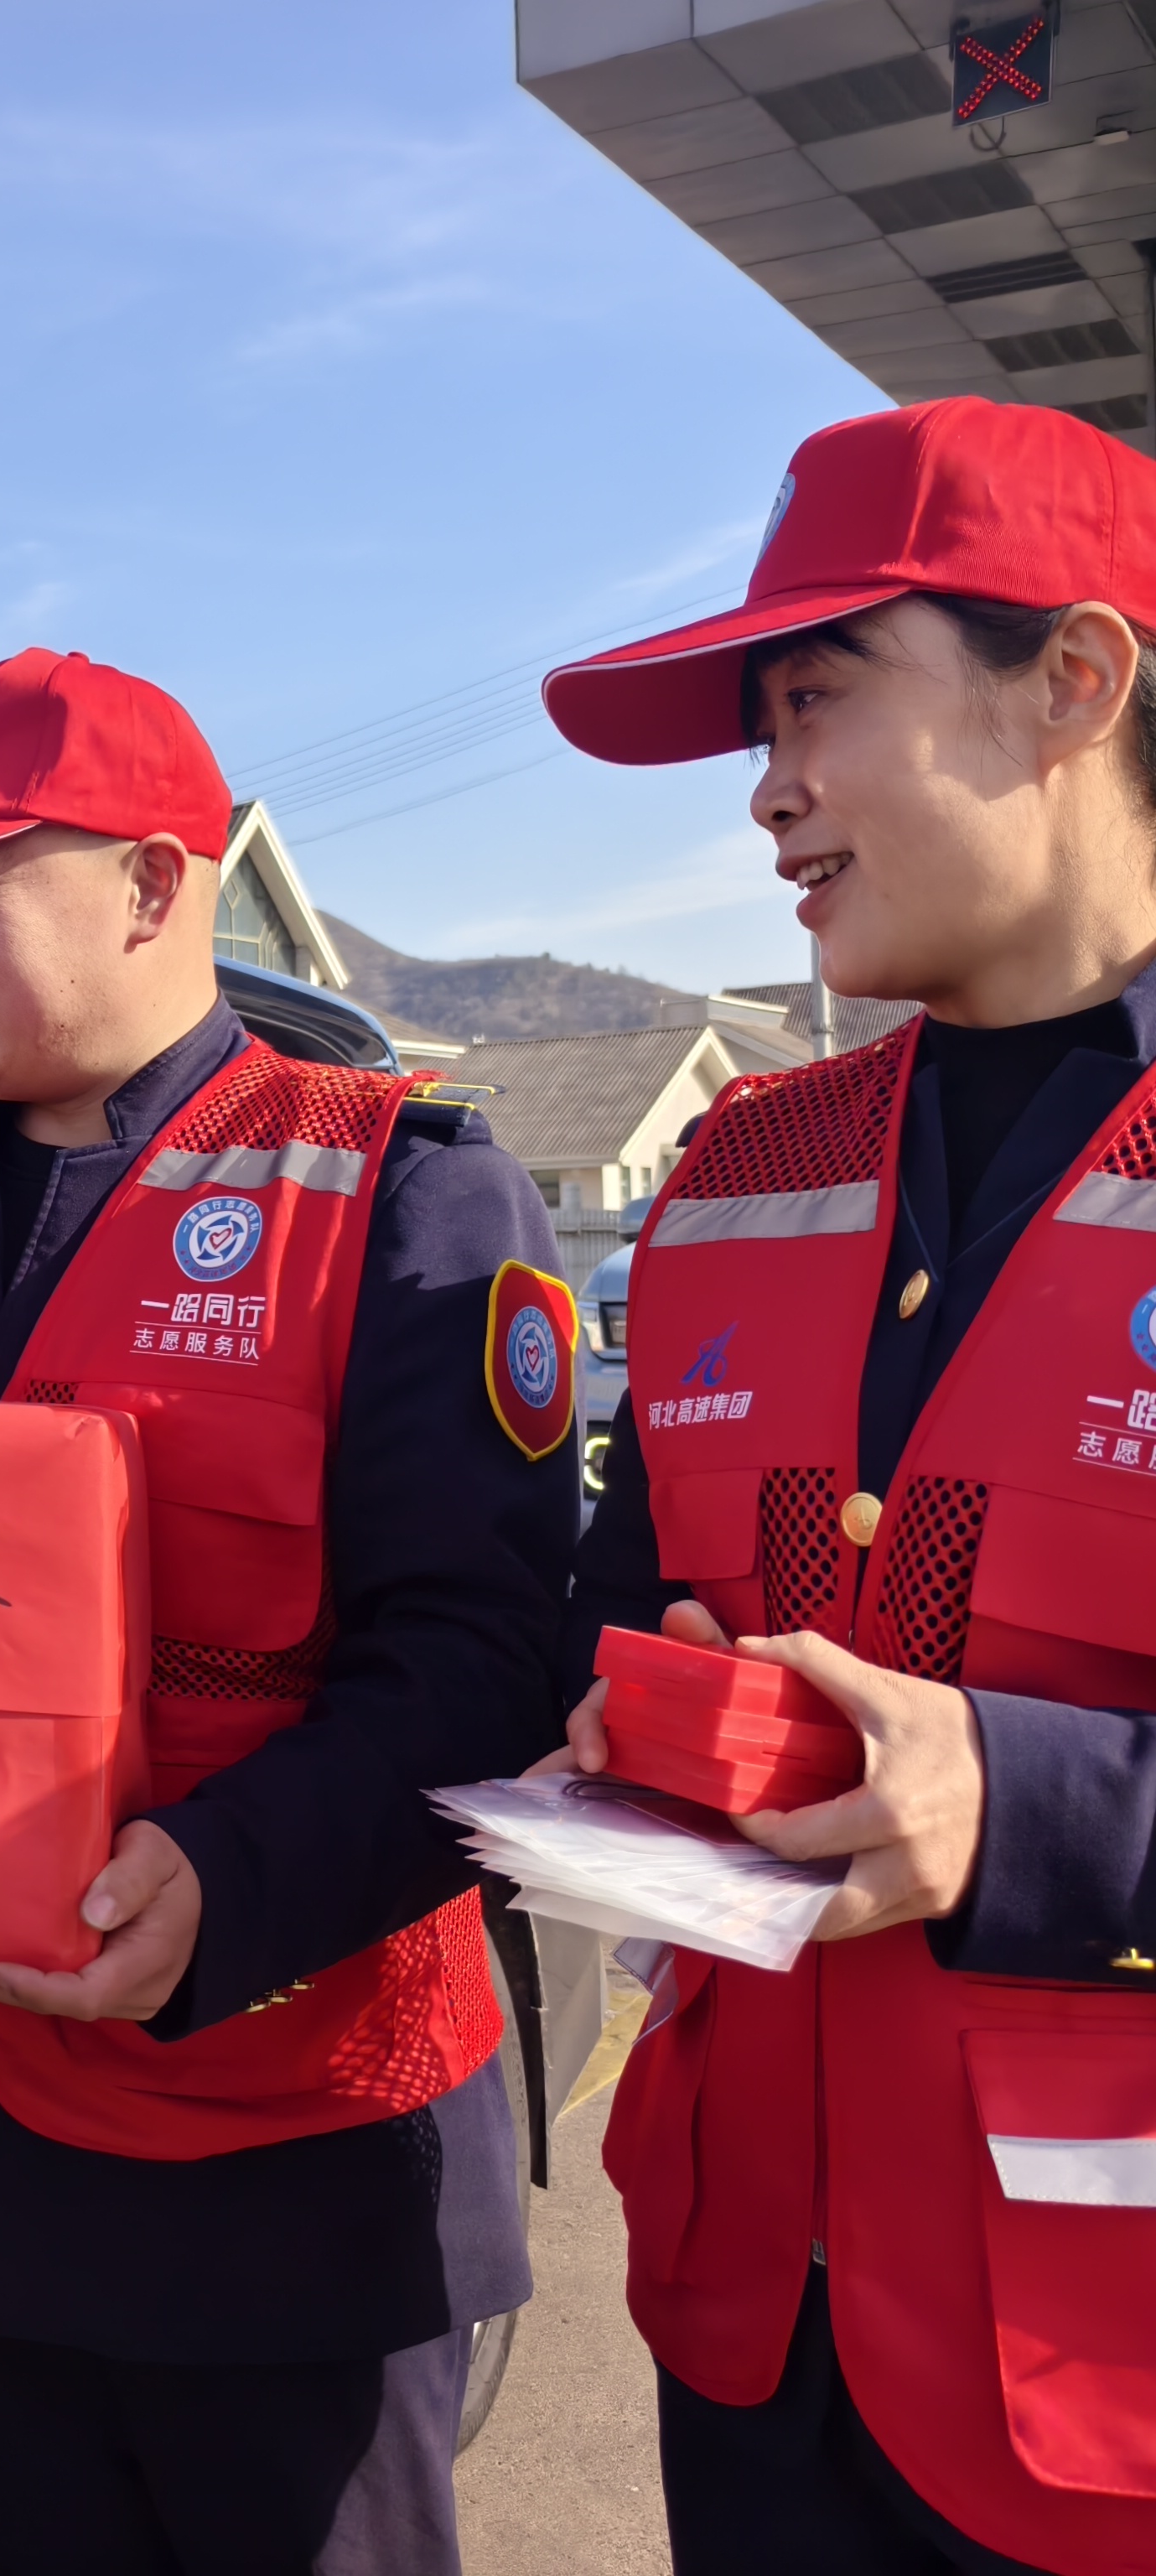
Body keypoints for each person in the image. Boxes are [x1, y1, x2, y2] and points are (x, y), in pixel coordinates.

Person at [0, 649, 575, 2572]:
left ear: (146, 882)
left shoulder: (392, 1189)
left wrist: (224, 1877)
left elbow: (482, 1660)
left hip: (282, 2136)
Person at [542, 397, 1156, 2576]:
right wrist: (621, 1713)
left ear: (1070, 680)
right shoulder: (737, 1171)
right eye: (759, 725)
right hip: (756, 2321)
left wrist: (1031, 1807)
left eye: (816, 699)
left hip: (1107, 2372)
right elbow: (622, 1589)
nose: (765, 789)